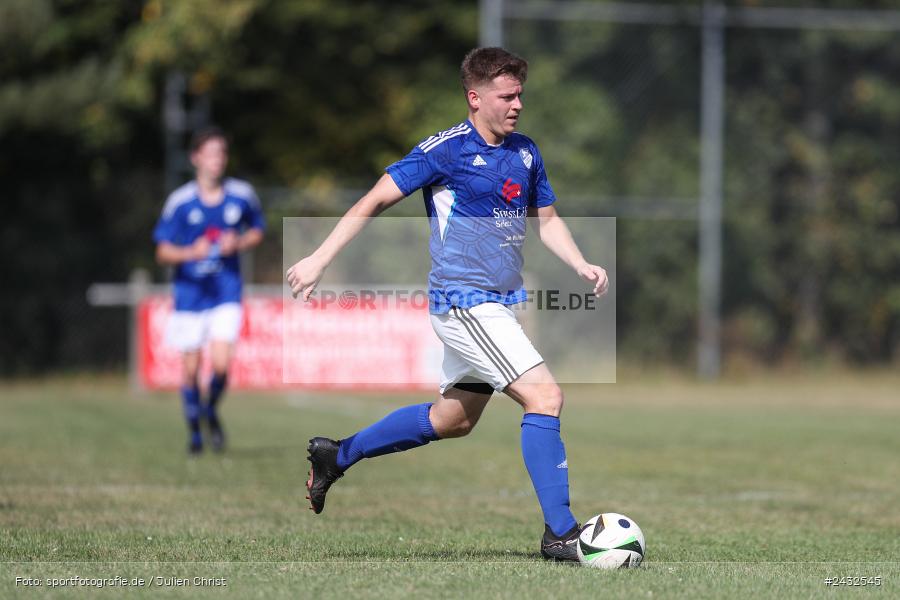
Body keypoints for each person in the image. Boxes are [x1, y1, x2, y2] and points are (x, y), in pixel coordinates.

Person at [285, 48, 608, 561]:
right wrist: (320, 258)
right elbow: (373, 199)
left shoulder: (526, 152)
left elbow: (546, 220)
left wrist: (581, 263)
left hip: (498, 304)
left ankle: (336, 454)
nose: (518, 104)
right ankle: (561, 534)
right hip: (463, 302)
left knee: (452, 419)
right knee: (545, 398)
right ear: (475, 97)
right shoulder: (446, 150)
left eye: (521, 93)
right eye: (507, 95)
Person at [153, 126, 265, 454]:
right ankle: (195, 431)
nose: (218, 160)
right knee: (189, 371)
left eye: (222, 153)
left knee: (220, 365)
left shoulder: (241, 194)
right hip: (190, 295)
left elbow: (257, 230)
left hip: (225, 291)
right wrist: (191, 253)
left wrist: (239, 242)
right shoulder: (181, 201)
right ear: (195, 158)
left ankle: (210, 409)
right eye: (211, 153)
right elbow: (162, 250)